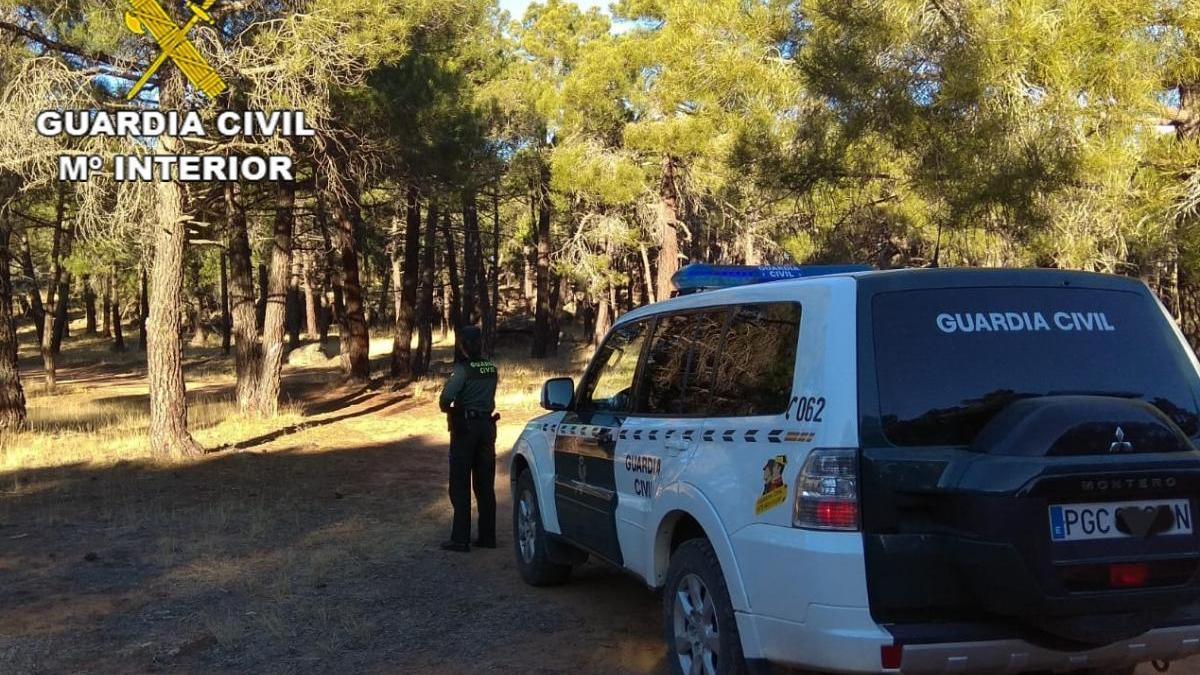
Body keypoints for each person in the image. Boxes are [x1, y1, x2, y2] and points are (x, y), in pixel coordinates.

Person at [438, 325, 499, 552]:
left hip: (465, 429)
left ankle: (460, 538)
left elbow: (446, 399)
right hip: (487, 427)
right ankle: (487, 536)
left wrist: (450, 408)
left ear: (463, 346)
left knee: (460, 483)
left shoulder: (462, 370)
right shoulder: (491, 368)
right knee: (485, 484)